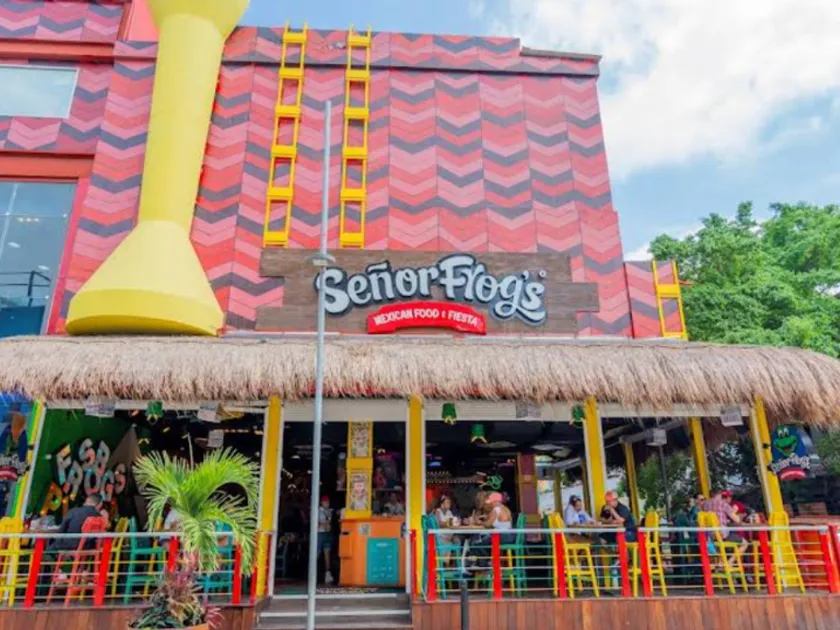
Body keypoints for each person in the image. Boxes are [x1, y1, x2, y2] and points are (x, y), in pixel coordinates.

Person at [700, 490, 748, 565]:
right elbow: (737, 520)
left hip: (711, 537)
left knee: (722, 546)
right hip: (722, 535)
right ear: (719, 494)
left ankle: (721, 564)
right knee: (744, 543)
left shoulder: (705, 505)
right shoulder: (722, 503)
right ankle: (729, 563)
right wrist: (735, 511)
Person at [317, 496, 334, 585]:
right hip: (320, 533)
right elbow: (316, 521)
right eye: (325, 502)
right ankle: (313, 573)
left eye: (328, 502)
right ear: (322, 503)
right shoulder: (318, 511)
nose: (327, 504)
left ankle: (328, 574)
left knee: (327, 553)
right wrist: (324, 523)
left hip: (327, 533)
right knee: (317, 552)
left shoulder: (330, 511)